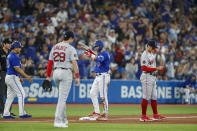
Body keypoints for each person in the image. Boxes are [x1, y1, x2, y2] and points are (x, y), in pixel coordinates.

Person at [46, 31, 80, 128]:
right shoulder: (70, 48)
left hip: (55, 72)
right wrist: (77, 76)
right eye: (72, 39)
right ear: (70, 38)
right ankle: (57, 120)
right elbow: (74, 63)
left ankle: (64, 119)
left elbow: (49, 63)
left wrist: (48, 76)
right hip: (66, 73)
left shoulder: (55, 47)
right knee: (62, 98)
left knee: (62, 97)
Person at [3, 41, 32, 119]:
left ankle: (5, 113)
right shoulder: (14, 56)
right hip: (12, 77)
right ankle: (22, 113)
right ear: (15, 48)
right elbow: (17, 68)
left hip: (9, 77)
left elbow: (14, 69)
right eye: (19, 47)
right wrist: (26, 76)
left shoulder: (10, 55)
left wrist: (19, 77)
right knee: (21, 94)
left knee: (10, 97)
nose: (20, 49)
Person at [84, 40, 111, 121]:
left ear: (101, 46)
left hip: (103, 76)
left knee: (103, 96)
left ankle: (105, 113)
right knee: (92, 93)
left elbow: (99, 58)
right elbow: (96, 56)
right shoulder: (100, 54)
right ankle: (97, 112)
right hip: (98, 76)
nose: (96, 47)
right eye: (95, 46)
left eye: (97, 46)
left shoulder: (105, 53)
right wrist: (91, 53)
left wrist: (91, 54)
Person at [140, 40, 166, 122]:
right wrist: (156, 68)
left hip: (152, 76)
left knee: (154, 96)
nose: (154, 49)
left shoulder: (150, 53)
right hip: (147, 76)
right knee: (146, 97)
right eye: (153, 47)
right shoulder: (144, 55)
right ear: (149, 46)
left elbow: (155, 53)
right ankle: (143, 116)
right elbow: (143, 68)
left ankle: (155, 114)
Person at [0, 38, 15, 117]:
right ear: (4, 44)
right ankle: (2, 111)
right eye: (8, 43)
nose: (9, 45)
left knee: (9, 94)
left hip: (9, 74)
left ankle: (8, 111)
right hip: (2, 73)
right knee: (1, 93)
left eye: (10, 43)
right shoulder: (0, 52)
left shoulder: (10, 52)